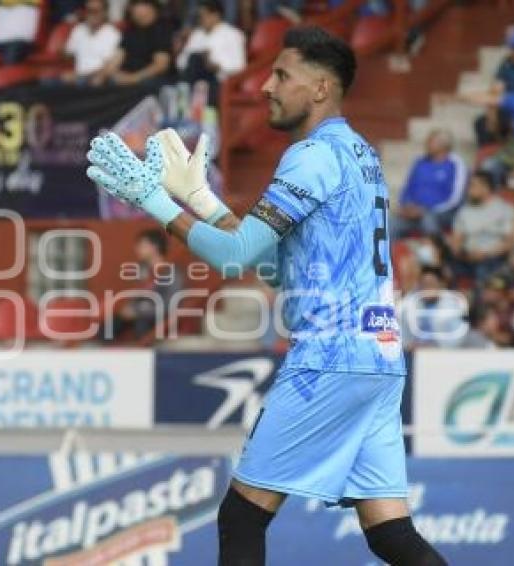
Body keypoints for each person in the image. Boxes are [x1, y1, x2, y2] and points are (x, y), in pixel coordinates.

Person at [86, 25, 447, 565]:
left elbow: (233, 258)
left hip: (329, 357)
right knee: (391, 533)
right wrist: (203, 201)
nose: (266, 86)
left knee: (242, 517)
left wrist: (153, 202)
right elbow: (281, 266)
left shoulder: (309, 158)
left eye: (282, 74)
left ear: (321, 88)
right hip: (380, 355)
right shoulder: (360, 156)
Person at [102, 229, 184, 341]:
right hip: (141, 314)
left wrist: (138, 311)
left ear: (154, 247)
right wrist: (131, 309)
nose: (138, 249)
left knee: (142, 323)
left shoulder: (171, 273)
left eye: (142, 245)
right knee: (110, 325)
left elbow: (170, 304)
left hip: (160, 317)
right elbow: (137, 296)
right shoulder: (144, 271)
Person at [392, 129, 467, 238]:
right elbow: (408, 188)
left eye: (430, 141)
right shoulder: (420, 162)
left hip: (441, 212)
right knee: (390, 223)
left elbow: (456, 199)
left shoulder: (456, 164)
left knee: (428, 220)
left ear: (444, 145)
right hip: (414, 211)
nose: (426, 144)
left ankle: (436, 251)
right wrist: (406, 206)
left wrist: (426, 210)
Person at [447, 171, 514, 284]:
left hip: (493, 257)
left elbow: (509, 242)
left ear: (486, 188)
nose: (468, 189)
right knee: (446, 269)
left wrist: (486, 254)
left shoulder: (505, 210)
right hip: (467, 257)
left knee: (484, 270)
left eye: (473, 185)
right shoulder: (464, 211)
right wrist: (463, 254)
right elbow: (456, 240)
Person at [90, 0, 173, 87]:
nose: (131, 10)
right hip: (126, 77)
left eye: (135, 6)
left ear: (150, 8)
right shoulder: (131, 31)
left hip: (149, 81)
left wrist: (132, 78)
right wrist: (103, 75)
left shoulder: (162, 30)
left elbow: (160, 65)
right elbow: (118, 57)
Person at [177, 0, 246, 89]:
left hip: (220, 80)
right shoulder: (197, 34)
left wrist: (216, 66)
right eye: (198, 17)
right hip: (194, 76)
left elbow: (239, 66)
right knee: (195, 59)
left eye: (203, 16)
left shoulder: (233, 34)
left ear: (215, 15)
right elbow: (181, 62)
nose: (200, 20)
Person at [399, 266, 468, 350]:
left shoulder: (453, 304)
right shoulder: (409, 303)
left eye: (431, 284)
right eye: (424, 284)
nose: (428, 288)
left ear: (441, 284)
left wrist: (437, 347)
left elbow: (459, 335)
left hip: (442, 353)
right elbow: (401, 331)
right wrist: (407, 345)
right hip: (413, 352)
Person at [60, 0, 121, 85]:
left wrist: (79, 76)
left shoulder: (113, 34)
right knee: (46, 83)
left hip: (98, 79)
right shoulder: (78, 29)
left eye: (96, 11)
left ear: (104, 12)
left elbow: (110, 67)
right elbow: (68, 54)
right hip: (76, 78)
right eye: (89, 11)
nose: (92, 14)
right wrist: (61, 49)